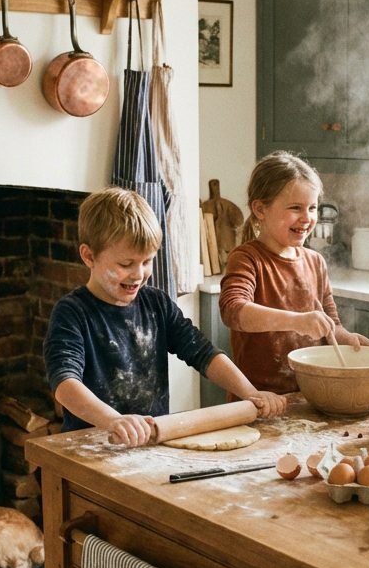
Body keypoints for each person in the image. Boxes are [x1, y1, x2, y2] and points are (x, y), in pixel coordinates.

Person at [44, 187, 286, 445]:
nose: (139, 274)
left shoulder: (156, 304)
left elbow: (203, 353)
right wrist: (113, 420)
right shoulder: (72, 313)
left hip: (151, 443)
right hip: (92, 445)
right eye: (126, 264)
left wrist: (250, 392)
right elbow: (65, 384)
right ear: (89, 256)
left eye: (147, 261)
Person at [219, 151, 369, 394]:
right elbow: (233, 311)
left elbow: (331, 324)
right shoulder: (247, 258)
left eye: (312, 208)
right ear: (260, 209)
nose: (307, 218)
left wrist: (348, 339)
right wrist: (298, 321)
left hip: (309, 396)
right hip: (260, 399)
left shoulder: (315, 262)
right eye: (295, 208)